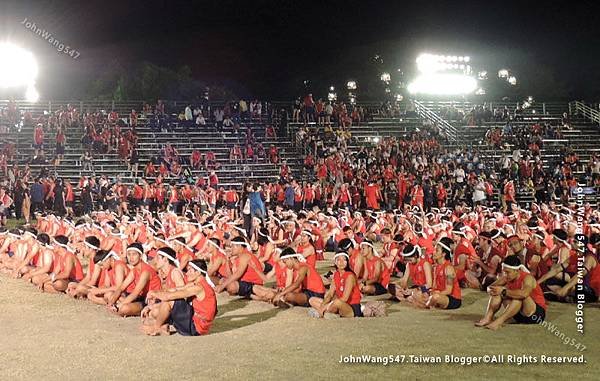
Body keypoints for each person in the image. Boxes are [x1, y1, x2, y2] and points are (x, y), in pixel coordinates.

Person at [141, 259, 217, 336]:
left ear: (198, 272)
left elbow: (169, 296)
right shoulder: (196, 284)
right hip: (194, 321)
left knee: (169, 301)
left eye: (190, 271)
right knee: (153, 313)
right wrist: (154, 296)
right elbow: (175, 289)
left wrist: (154, 294)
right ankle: (163, 328)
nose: (187, 273)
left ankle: (156, 327)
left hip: (196, 328)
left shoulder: (198, 287)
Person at [476, 256, 546, 330]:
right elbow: (490, 287)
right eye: (504, 271)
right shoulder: (507, 277)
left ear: (517, 270)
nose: (505, 274)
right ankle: (488, 318)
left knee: (517, 297)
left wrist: (503, 291)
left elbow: (524, 294)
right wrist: (494, 290)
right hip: (519, 315)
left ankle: (499, 322)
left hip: (535, 315)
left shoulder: (528, 278)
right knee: (497, 291)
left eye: (507, 272)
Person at [106, 243, 162, 317]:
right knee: (109, 295)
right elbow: (121, 288)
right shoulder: (134, 270)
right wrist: (111, 303)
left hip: (149, 300)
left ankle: (138, 311)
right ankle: (123, 308)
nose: (131, 257)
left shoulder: (146, 271)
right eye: (129, 254)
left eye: (134, 254)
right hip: (139, 297)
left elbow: (135, 293)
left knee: (124, 308)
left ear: (141, 256)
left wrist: (118, 306)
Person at [308, 251, 362, 318]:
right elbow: (330, 294)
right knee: (312, 300)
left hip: (351, 307)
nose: (341, 262)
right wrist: (323, 305)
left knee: (337, 302)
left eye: (344, 260)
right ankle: (326, 312)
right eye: (338, 260)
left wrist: (325, 306)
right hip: (337, 305)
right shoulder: (336, 274)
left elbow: (345, 298)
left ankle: (323, 312)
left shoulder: (350, 276)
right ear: (335, 262)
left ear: (347, 262)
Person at [427, 237, 462, 310]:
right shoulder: (436, 267)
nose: (434, 252)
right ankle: (430, 304)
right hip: (441, 294)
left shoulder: (448, 268)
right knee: (418, 294)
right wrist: (431, 291)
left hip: (453, 299)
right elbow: (434, 286)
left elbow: (448, 291)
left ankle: (427, 305)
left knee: (435, 297)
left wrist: (435, 294)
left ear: (443, 254)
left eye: (437, 251)